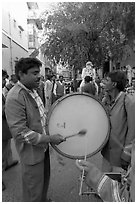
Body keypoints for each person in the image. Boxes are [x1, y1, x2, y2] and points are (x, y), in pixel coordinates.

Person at [5, 57, 65, 202]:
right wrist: (50, 139)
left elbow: (42, 118)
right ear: (21, 74)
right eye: (34, 73)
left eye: (39, 72)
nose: (39, 76)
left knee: (42, 183)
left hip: (42, 149)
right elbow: (21, 134)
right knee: (33, 190)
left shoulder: (32, 90)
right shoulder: (15, 97)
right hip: (31, 153)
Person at [101, 71, 135, 172]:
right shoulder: (106, 101)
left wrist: (126, 154)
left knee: (118, 185)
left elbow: (133, 131)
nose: (103, 82)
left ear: (114, 84)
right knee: (105, 184)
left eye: (107, 80)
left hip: (121, 157)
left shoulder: (128, 101)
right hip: (107, 155)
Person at [2, 70, 18, 191]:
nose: (4, 81)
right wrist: (9, 106)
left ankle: (7, 163)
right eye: (2, 79)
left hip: (4, 128)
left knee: (6, 148)